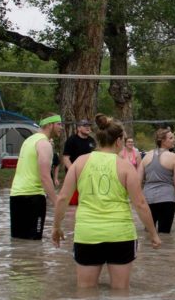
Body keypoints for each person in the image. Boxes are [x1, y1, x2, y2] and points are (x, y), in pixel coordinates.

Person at [52, 113, 161, 289]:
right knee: (120, 293)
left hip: (88, 234)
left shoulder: (80, 162)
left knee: (85, 292)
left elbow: (63, 198)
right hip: (120, 234)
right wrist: (153, 234)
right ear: (118, 141)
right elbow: (140, 204)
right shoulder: (125, 166)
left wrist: (56, 227)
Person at [9, 113, 63, 240]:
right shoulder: (44, 144)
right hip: (33, 198)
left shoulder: (29, 140)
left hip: (16, 195)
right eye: (59, 124)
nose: (61, 127)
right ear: (50, 125)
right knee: (34, 242)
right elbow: (45, 176)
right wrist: (56, 202)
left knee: (19, 241)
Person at [141, 128, 175, 233]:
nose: (174, 140)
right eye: (171, 138)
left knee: (149, 234)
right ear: (162, 141)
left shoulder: (146, 156)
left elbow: (137, 181)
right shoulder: (174, 157)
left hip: (148, 199)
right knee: (165, 235)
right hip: (167, 200)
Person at [62, 119, 96, 206]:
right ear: (78, 128)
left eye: (89, 125)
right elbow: (66, 158)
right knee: (73, 204)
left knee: (87, 202)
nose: (88, 127)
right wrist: (73, 172)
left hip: (88, 175)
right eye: (85, 126)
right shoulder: (72, 140)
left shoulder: (92, 141)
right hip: (74, 175)